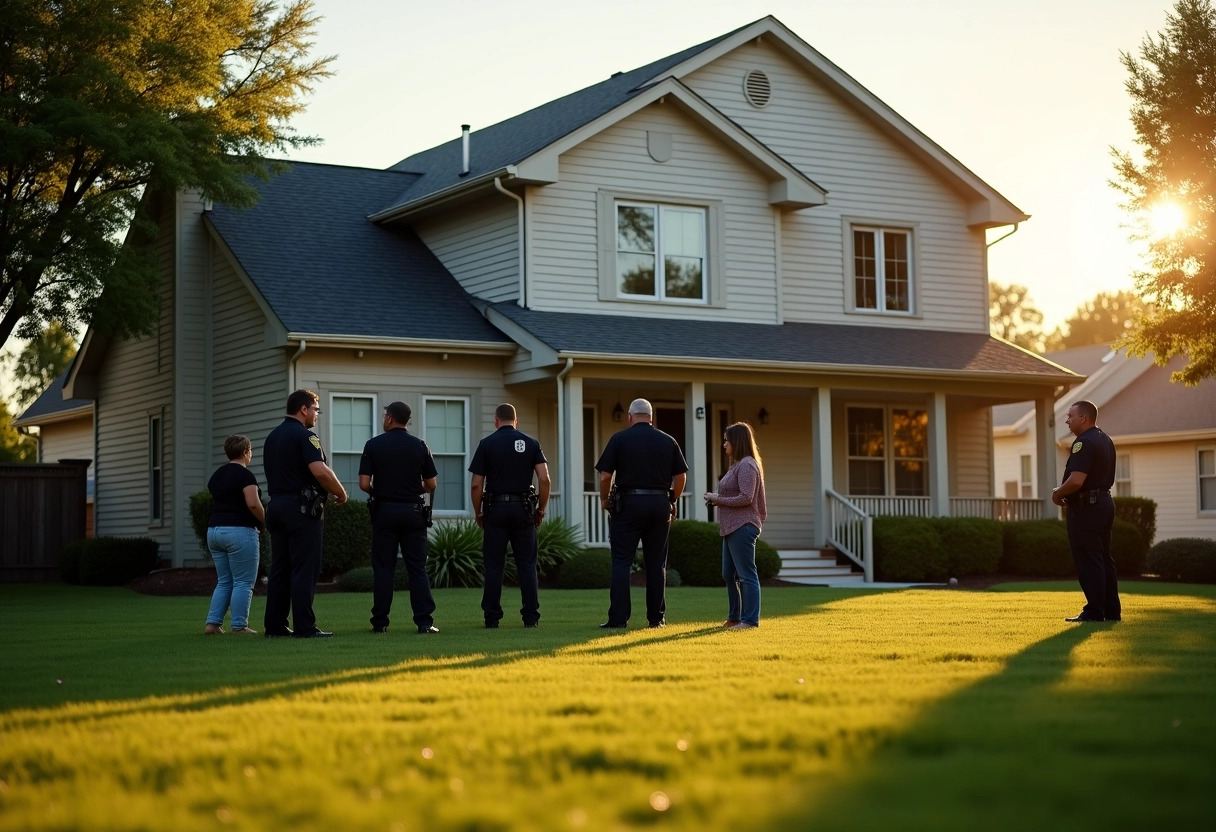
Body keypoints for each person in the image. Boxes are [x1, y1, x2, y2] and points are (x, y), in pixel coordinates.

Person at [595, 398, 688, 629]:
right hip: (659, 504)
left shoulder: (620, 439)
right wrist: (672, 499)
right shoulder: (668, 441)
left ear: (629, 416)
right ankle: (656, 619)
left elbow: (605, 476)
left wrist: (605, 500)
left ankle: (618, 619)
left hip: (628, 504)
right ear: (651, 417)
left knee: (621, 562)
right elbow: (681, 477)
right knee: (656, 563)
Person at [262, 389, 348, 638]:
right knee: (304, 568)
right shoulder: (305, 436)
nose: (317, 415)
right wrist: (341, 493)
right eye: (316, 410)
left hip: (276, 506)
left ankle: (275, 626)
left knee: (280, 569)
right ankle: (305, 627)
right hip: (300, 509)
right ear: (304, 409)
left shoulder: (273, 436)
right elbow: (320, 471)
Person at [359, 401, 440, 635]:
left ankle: (380, 622)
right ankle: (424, 622)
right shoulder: (420, 446)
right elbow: (432, 483)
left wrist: (383, 492)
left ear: (390, 418)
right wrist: (414, 491)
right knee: (417, 567)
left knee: (384, 567)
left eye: (385, 416)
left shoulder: (373, 445)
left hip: (384, 511)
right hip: (413, 512)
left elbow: (364, 483)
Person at [469, 403, 551, 629]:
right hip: (523, 509)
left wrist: (479, 512)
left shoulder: (487, 444)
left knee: (494, 564)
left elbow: (477, 484)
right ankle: (530, 617)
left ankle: (492, 618)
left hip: (495, 510)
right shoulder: (531, 443)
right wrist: (541, 509)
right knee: (526, 564)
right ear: (516, 421)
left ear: (496, 421)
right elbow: (544, 479)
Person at [1051, 399, 1120, 623]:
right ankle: (1111, 611)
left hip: (1086, 509)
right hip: (1104, 504)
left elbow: (1077, 480)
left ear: (1084, 418)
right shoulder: (1105, 439)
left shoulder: (1083, 442)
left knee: (1088, 559)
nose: (1067, 420)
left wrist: (1057, 493)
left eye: (1070, 416)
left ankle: (1093, 611)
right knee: (1103, 558)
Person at [704, 422, 767, 630]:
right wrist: (717, 498)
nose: (724, 445)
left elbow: (746, 498)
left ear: (737, 441)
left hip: (743, 525)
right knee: (728, 574)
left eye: (726, 440)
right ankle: (734, 618)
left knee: (747, 574)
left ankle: (750, 621)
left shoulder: (747, 465)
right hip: (731, 527)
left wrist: (717, 499)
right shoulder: (736, 465)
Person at [203, 435, 265, 635]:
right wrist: (267, 521)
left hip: (214, 531)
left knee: (224, 581)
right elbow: (253, 504)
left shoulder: (217, 475)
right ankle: (239, 626)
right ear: (246, 452)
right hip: (240, 531)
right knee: (244, 581)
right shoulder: (245, 476)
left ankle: (213, 624)